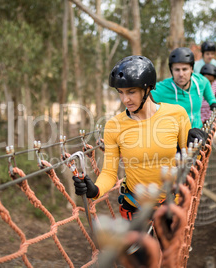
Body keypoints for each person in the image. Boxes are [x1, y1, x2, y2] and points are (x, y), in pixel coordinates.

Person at [72, 55, 207, 220]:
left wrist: (198, 145)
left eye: (131, 92)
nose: (125, 99)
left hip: (173, 205)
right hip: (135, 208)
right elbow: (109, 172)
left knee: (171, 246)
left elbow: (190, 161)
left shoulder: (177, 114)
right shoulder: (114, 126)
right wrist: (95, 190)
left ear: (148, 88)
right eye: (120, 92)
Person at [151, 47, 216, 128]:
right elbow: (143, 97)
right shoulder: (163, 88)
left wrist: (212, 102)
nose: (181, 74)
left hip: (198, 133)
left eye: (185, 69)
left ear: (192, 69)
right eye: (177, 70)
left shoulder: (199, 81)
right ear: (171, 70)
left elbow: (206, 84)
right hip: (176, 137)